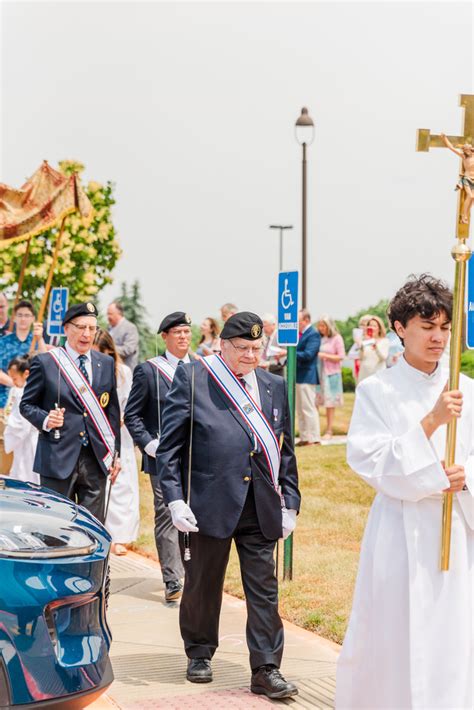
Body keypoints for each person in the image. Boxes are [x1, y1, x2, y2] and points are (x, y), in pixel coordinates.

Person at [336, 274, 474, 710]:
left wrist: (464, 475)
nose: (438, 338)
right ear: (400, 328)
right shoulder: (380, 390)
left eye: (445, 329)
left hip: (454, 524)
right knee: (396, 631)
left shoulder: (466, 389)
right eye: (427, 327)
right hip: (400, 529)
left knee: (450, 634)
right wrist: (431, 422)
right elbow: (368, 459)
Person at [157, 312, 300, 698]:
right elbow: (169, 448)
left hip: (261, 504)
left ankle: (266, 667)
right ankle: (200, 652)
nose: (252, 355)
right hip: (208, 502)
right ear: (223, 345)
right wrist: (174, 499)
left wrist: (291, 502)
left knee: (264, 588)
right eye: (243, 349)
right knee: (203, 583)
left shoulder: (272, 384)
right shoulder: (194, 378)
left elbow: (285, 451)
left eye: (257, 348)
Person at [20, 302, 121, 522]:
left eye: (92, 329)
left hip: (96, 459)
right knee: (52, 525)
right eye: (81, 327)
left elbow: (111, 411)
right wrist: (46, 419)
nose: (87, 334)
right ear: (66, 328)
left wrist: (115, 453)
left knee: (92, 530)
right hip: (57, 457)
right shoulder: (46, 363)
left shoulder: (105, 363)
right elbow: (26, 405)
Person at [124, 312, 192, 602]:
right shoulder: (149, 370)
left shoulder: (200, 368)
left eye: (187, 332)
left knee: (196, 512)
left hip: (196, 455)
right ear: (165, 336)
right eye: (177, 332)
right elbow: (132, 414)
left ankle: (195, 572)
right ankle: (173, 578)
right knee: (166, 513)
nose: (183, 337)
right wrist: (149, 444)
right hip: (161, 455)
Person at [93, 329, 139, 555]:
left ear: (108, 351)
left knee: (121, 487)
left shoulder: (123, 372)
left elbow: (129, 402)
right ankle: (101, 532)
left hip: (119, 433)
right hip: (96, 434)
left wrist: (119, 420)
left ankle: (120, 536)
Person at [0, 300, 46, 474]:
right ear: (14, 317)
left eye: (27, 315)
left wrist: (40, 337)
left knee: (27, 460)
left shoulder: (34, 341)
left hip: (31, 405)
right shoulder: (4, 342)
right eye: (20, 315)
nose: (23, 319)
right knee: (5, 452)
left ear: (33, 318)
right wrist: (16, 385)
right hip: (5, 402)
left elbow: (47, 361)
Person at [3, 354, 39, 485]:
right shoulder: (16, 390)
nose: (14, 382)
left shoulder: (29, 392)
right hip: (20, 442)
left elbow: (22, 423)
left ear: (26, 374)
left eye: (15, 378)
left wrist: (9, 427)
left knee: (27, 473)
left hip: (30, 439)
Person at [316, 317, 345, 440]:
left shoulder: (337, 338)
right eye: (320, 326)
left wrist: (325, 356)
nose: (321, 328)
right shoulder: (319, 338)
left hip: (331, 374)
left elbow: (341, 356)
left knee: (330, 402)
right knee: (316, 401)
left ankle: (329, 430)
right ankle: (315, 429)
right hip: (318, 372)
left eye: (323, 326)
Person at [295, 309, 321, 446]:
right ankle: (304, 437)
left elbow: (309, 354)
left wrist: (289, 353)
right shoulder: (301, 334)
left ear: (306, 320)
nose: (296, 323)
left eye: (298, 320)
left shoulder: (313, 334)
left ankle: (314, 437)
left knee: (308, 408)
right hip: (298, 376)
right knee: (300, 409)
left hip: (307, 375)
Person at [441, 133, 474, 224]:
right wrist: (445, 138)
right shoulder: (464, 157)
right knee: (470, 196)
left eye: (467, 148)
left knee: (473, 198)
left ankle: (466, 215)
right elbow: (451, 147)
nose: (466, 150)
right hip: (467, 179)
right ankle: (463, 215)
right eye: (465, 149)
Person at [107, 301, 139, 371]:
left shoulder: (130, 328)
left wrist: (108, 348)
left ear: (119, 313)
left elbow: (128, 350)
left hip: (126, 372)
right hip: (112, 370)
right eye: (107, 314)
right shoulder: (109, 328)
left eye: (110, 314)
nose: (108, 317)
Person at [357, 315, 390, 383]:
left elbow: (383, 358)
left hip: (377, 374)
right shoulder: (364, 340)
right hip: (364, 374)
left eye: (374, 326)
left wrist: (376, 347)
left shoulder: (384, 341)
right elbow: (361, 357)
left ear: (379, 328)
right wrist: (361, 347)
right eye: (369, 325)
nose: (371, 327)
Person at [347, 314, 372, 380]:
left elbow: (368, 355)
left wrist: (360, 344)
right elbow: (350, 355)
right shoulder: (359, 339)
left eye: (367, 325)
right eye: (362, 325)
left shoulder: (373, 339)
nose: (364, 327)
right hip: (358, 369)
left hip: (369, 370)